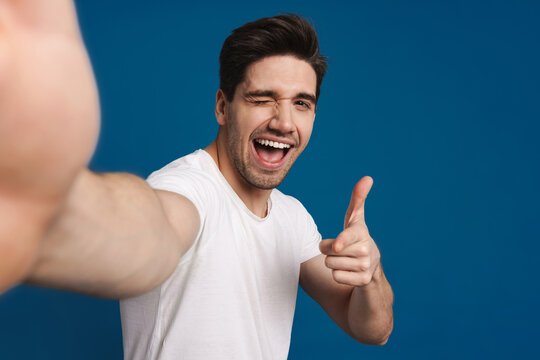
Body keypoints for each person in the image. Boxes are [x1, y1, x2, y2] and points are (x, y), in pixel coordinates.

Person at [0, 1, 393, 359]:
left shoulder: (292, 218)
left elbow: (373, 329)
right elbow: (152, 231)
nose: (284, 122)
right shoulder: (187, 189)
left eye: (301, 103)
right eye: (262, 98)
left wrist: (369, 273)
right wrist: (50, 218)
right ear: (223, 107)